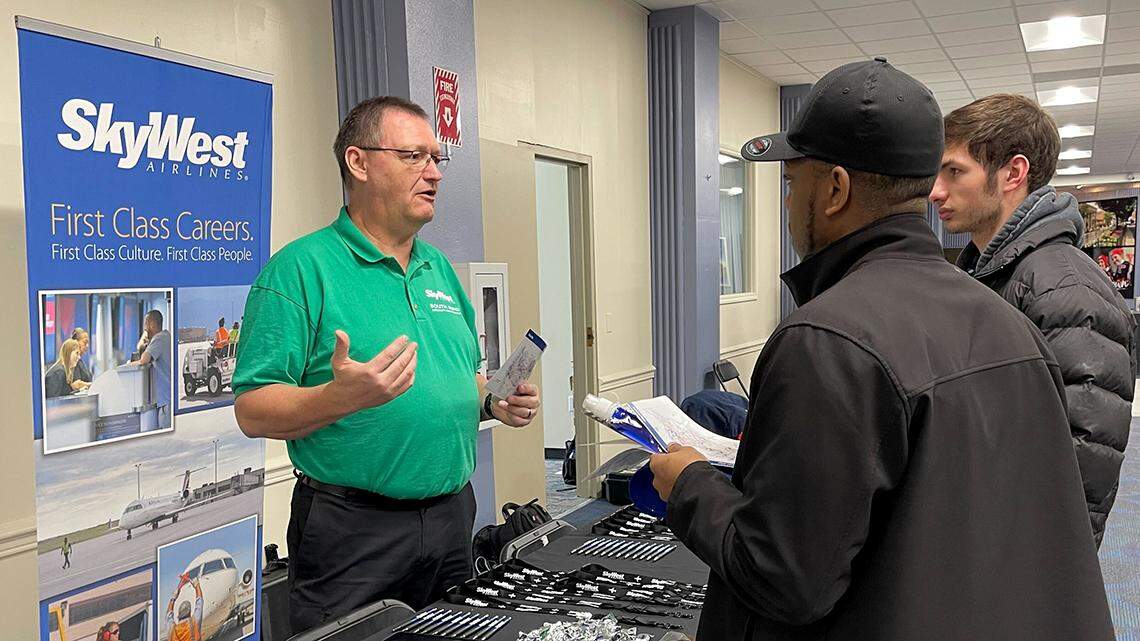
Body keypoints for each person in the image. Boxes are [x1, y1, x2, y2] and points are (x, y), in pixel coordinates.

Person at [648, 59, 1113, 640]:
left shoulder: (827, 340)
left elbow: (786, 579)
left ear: (835, 189)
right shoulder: (1007, 324)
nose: (790, 203)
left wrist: (690, 483)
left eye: (794, 183)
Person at [233, 95, 542, 634]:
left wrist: (493, 397)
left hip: (451, 519)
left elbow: (460, 375)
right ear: (358, 163)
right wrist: (339, 398)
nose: (434, 173)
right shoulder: (299, 271)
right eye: (413, 156)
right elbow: (253, 410)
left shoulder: (439, 268)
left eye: (436, 158)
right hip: (353, 533)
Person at [930, 93, 1136, 547]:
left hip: (1020, 556)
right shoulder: (991, 274)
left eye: (955, 171)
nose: (936, 191)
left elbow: (1081, 460)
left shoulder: (1063, 288)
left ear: (1014, 173)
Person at [131, 310, 172, 426]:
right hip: (168, 400)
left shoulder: (159, 338)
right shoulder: (166, 336)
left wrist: (144, 337)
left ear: (152, 324)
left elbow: (144, 360)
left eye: (146, 324)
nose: (144, 328)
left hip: (166, 403)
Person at [166, 574, 202, 641]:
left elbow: (168, 616)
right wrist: (197, 586)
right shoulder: (194, 622)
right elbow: (199, 603)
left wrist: (173, 598)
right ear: (189, 612)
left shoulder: (172, 629)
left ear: (179, 614)